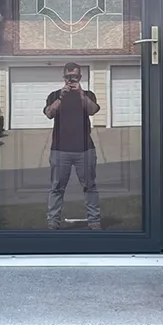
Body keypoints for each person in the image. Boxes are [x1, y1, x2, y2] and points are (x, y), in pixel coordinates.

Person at [43, 62, 101, 230]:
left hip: (85, 149)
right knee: (56, 188)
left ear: (80, 77)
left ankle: (94, 220)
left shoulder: (88, 94)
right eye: (68, 77)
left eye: (74, 77)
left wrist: (81, 94)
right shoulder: (55, 95)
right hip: (60, 150)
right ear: (64, 77)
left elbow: (92, 110)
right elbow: (49, 113)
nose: (71, 80)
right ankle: (53, 221)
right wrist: (62, 97)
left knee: (90, 186)